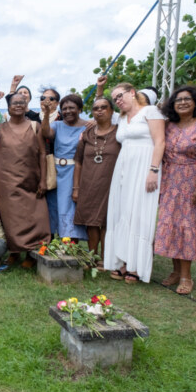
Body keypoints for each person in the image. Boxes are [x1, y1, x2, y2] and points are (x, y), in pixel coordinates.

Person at [154, 86, 196, 295]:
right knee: (172, 226)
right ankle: (175, 271)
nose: (182, 103)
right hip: (170, 181)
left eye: (187, 99)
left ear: (195, 103)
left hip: (193, 181)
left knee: (187, 227)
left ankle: (186, 276)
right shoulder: (168, 126)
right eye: (178, 100)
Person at [104, 82, 166, 284]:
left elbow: (160, 142)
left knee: (139, 213)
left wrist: (153, 170)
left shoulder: (151, 111)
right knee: (123, 212)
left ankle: (137, 266)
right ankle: (122, 260)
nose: (118, 100)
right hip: (124, 167)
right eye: (115, 99)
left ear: (132, 93)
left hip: (145, 165)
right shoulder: (121, 118)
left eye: (120, 95)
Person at [0, 93, 50, 267]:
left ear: (26, 105)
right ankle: (15, 252)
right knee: (10, 218)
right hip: (6, 181)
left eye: (21, 102)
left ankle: (32, 255)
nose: (18, 105)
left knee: (36, 216)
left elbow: (42, 153)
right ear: (9, 108)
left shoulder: (35, 126)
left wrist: (43, 180)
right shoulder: (1, 128)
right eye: (14, 103)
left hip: (31, 179)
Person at [72, 96, 121, 265]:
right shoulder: (86, 135)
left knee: (107, 221)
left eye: (104, 107)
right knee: (91, 222)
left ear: (112, 111)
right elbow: (78, 161)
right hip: (89, 183)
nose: (99, 110)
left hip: (111, 184)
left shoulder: (119, 133)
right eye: (96, 108)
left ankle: (106, 258)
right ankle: (92, 256)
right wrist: (76, 188)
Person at [41, 94, 88, 241]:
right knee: (54, 206)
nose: (68, 111)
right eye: (64, 108)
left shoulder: (88, 126)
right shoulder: (57, 125)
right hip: (56, 172)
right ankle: (54, 239)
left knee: (70, 207)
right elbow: (45, 132)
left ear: (80, 109)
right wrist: (47, 113)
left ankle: (70, 240)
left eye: (71, 108)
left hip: (75, 172)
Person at [39, 88, 61, 236]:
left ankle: (52, 236)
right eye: (43, 97)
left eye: (51, 98)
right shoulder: (31, 117)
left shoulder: (63, 118)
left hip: (55, 165)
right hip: (34, 164)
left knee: (52, 202)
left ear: (57, 103)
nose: (46, 101)